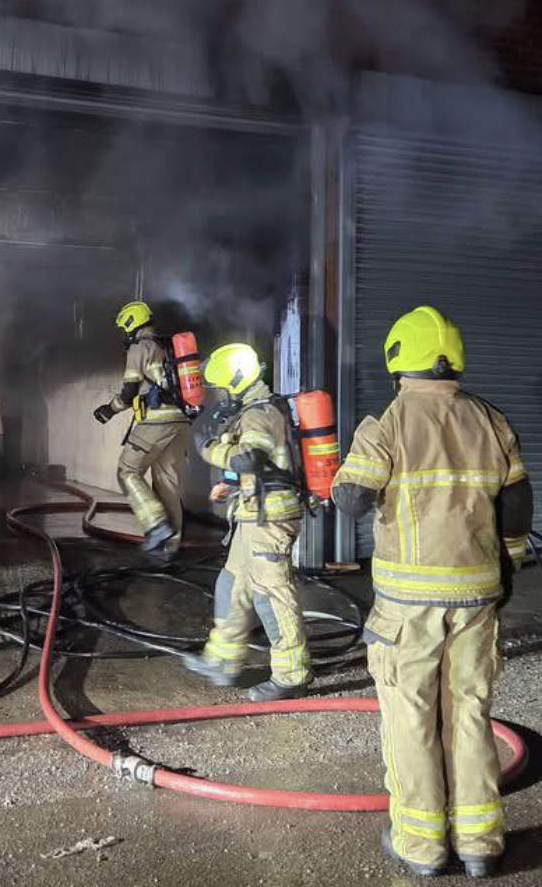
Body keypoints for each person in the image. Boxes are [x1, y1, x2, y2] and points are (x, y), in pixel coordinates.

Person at [332, 305, 533, 879]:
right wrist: (509, 565)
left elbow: (351, 499)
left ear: (399, 358)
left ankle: (421, 844)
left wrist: (333, 475)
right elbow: (517, 502)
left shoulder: (388, 422)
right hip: (477, 596)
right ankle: (480, 843)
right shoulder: (490, 419)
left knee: (411, 714)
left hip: (408, 606)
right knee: (469, 711)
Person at [181, 342, 312, 701]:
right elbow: (261, 464)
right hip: (254, 513)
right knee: (232, 584)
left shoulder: (260, 414)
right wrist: (231, 484)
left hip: (270, 519)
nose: (222, 396)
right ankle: (223, 660)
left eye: (224, 388)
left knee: (272, 595)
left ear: (237, 380)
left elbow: (249, 457)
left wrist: (208, 448)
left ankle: (292, 676)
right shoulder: (256, 412)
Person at [93, 301, 190, 556]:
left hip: (157, 421)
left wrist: (108, 410)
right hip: (181, 421)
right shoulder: (168, 347)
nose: (124, 334)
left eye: (124, 329)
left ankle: (156, 525)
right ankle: (168, 550)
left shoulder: (140, 348)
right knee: (167, 484)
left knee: (127, 471)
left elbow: (129, 393)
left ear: (131, 323)